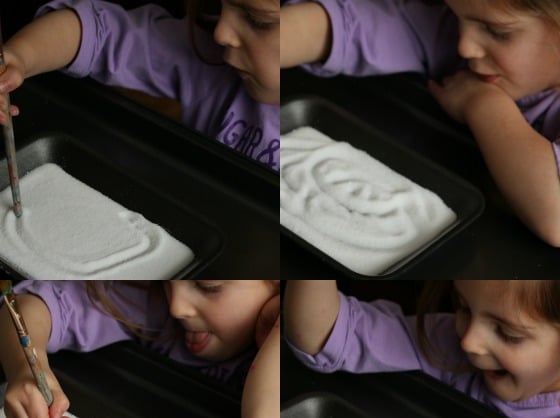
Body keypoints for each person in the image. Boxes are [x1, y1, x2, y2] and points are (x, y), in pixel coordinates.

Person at [281, 0, 560, 245]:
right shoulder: (451, 34)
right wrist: (268, 37)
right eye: (456, 13)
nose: (464, 46)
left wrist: (483, 104)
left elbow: (554, 214)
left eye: (498, 32)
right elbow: (354, 27)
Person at [0, 280, 280, 418]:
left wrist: (281, 329)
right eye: (172, 284)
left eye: (208, 287)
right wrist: (25, 368)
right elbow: (32, 304)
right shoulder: (154, 304)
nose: (177, 306)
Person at [0, 0, 280, 170]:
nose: (220, 32)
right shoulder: (209, 60)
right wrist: (20, 57)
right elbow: (101, 32)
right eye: (221, 5)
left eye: (258, 21)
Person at [284, 279, 560, 418]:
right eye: (463, 307)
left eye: (508, 334)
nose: (469, 343)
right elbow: (330, 336)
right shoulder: (447, 343)